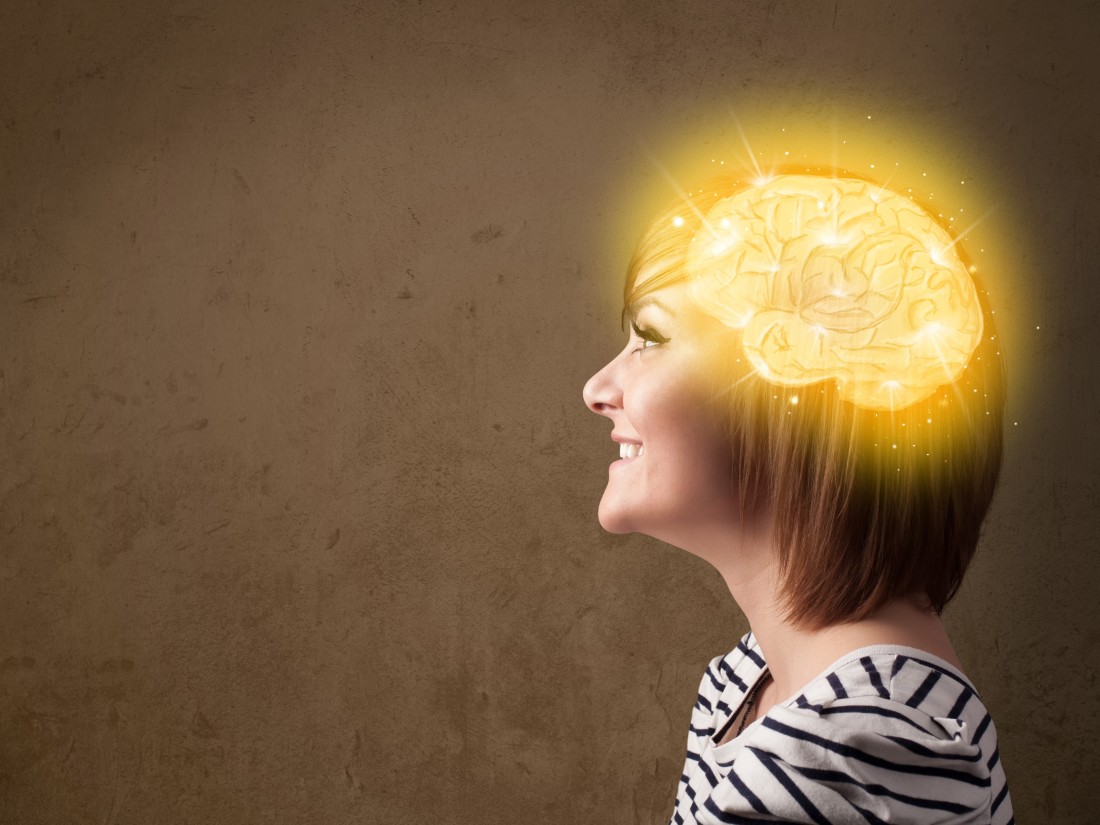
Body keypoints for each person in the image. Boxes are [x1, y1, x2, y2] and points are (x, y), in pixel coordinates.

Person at [582, 172, 1014, 824]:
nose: (597, 387)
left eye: (653, 336)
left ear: (797, 395)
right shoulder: (755, 683)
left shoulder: (845, 763)